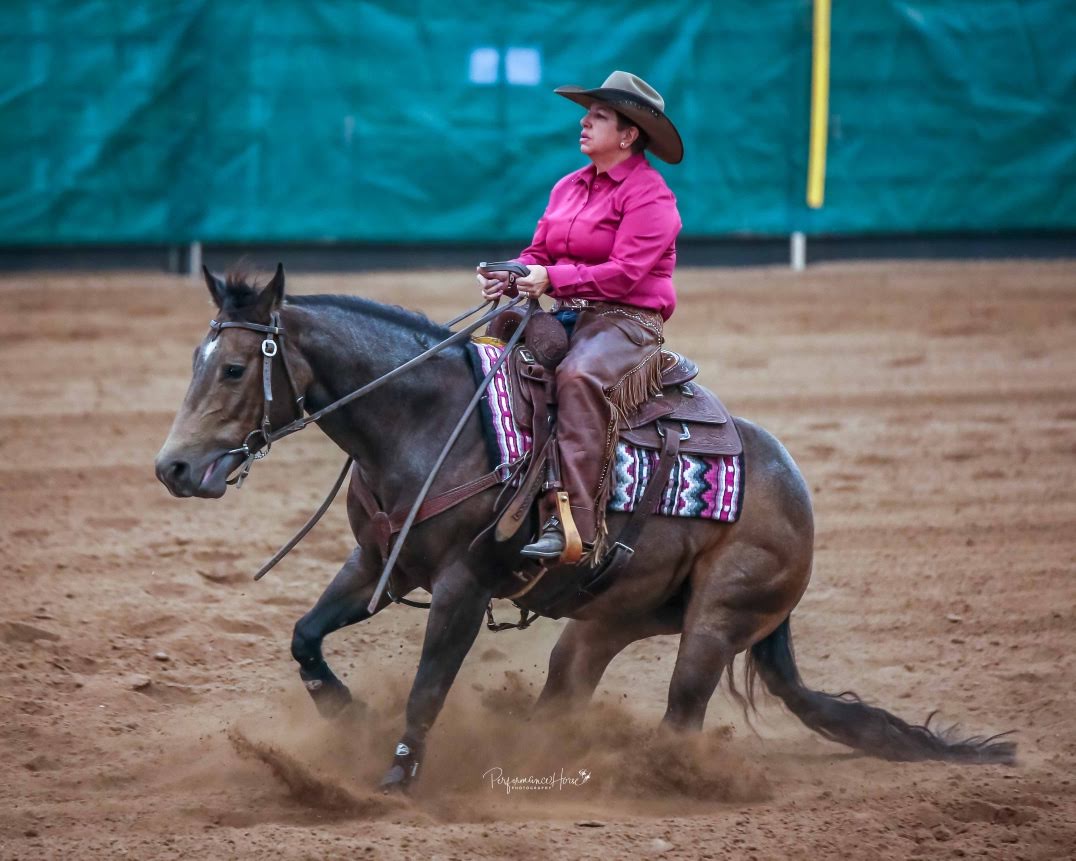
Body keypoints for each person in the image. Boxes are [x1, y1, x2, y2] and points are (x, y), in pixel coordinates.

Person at [477, 70, 683, 562]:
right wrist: (508, 275)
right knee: (484, 361)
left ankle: (578, 526)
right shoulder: (569, 186)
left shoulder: (651, 196)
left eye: (599, 116)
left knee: (578, 376)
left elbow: (627, 274)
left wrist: (552, 280)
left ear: (628, 135)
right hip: (571, 313)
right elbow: (539, 251)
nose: (585, 123)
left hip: (628, 321)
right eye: (588, 115)